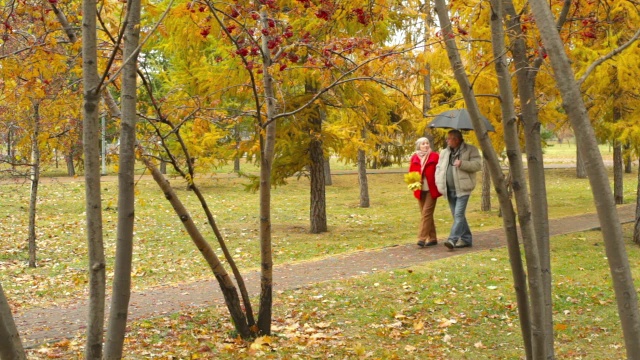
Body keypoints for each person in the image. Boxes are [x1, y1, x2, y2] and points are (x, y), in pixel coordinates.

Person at [435, 129, 482, 249]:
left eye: (449, 138)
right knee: (457, 216)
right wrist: (438, 181)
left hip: (463, 189)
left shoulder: (471, 150)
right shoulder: (444, 152)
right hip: (449, 189)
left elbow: (477, 165)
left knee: (459, 215)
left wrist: (462, 163)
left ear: (457, 139)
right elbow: (439, 167)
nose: (447, 140)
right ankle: (466, 239)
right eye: (447, 138)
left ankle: (452, 240)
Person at [409, 137, 442, 248]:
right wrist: (413, 185)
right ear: (419, 146)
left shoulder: (435, 156)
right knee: (426, 214)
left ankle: (421, 238)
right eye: (423, 144)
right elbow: (411, 173)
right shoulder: (414, 157)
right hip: (420, 189)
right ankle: (432, 238)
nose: (426, 145)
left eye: (427, 143)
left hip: (432, 189)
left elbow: (440, 171)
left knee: (426, 213)